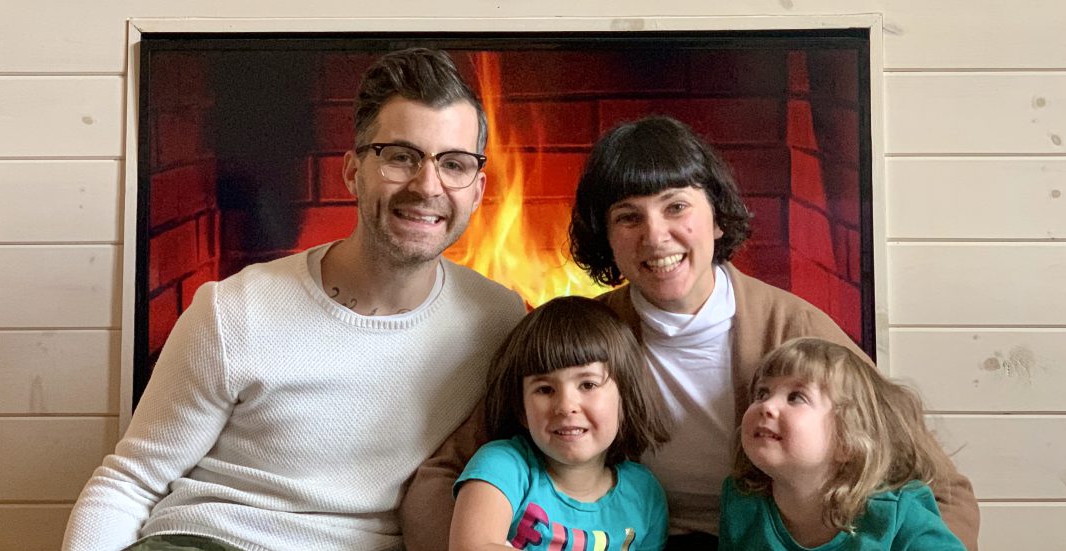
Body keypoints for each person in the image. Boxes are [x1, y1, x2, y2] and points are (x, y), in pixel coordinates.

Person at [400, 115, 979, 551]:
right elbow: (442, 473)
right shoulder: (583, 342)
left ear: (717, 214)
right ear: (606, 239)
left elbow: (939, 488)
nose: (656, 236)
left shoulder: (796, 331)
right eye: (628, 217)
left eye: (676, 206)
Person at [62, 48, 527, 551]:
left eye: (453, 164)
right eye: (400, 157)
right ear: (352, 172)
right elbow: (129, 483)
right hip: (209, 539)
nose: (427, 185)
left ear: (477, 191)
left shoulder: (497, 321)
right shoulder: (232, 311)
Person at [449, 296, 671, 551]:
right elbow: (473, 547)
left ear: (625, 399)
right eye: (545, 389)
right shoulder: (503, 466)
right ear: (521, 408)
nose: (566, 406)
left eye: (588, 384)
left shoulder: (644, 493)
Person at [720, 337, 966, 550]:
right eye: (762, 393)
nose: (767, 406)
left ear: (847, 440)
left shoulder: (897, 512)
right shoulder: (742, 501)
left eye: (796, 397)